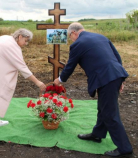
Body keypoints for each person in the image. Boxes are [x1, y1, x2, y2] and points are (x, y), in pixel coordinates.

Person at [53, 23, 133, 157]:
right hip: (113, 75)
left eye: (70, 36)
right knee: (103, 107)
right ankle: (97, 134)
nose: (71, 39)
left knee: (110, 113)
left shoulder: (77, 44)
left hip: (107, 78)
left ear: (73, 33)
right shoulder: (101, 37)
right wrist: (120, 78)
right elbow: (117, 57)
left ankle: (124, 148)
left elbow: (70, 66)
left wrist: (59, 80)